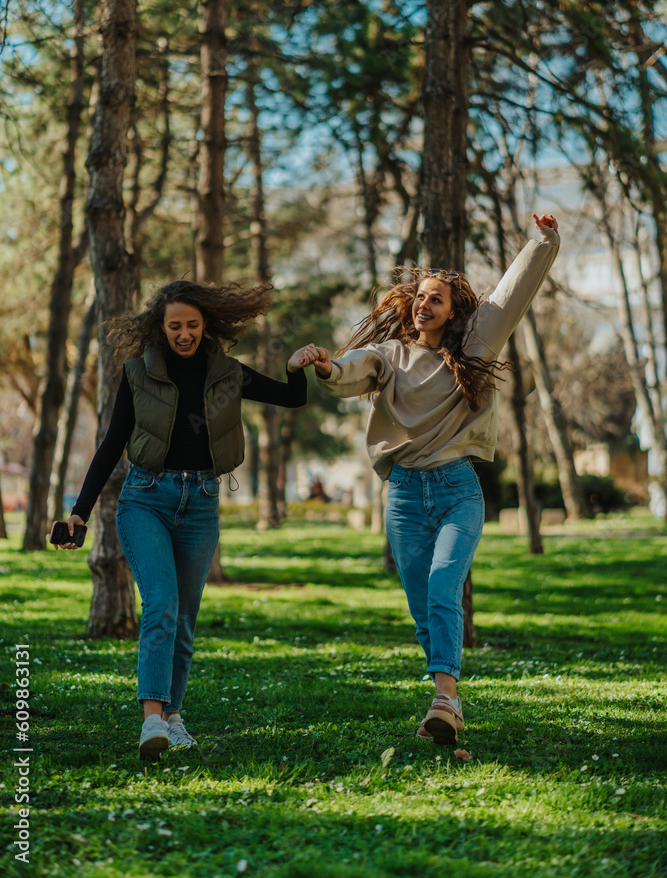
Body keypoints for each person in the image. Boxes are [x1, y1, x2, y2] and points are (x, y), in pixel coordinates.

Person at [292, 214, 560, 746]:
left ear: (455, 309)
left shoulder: (474, 348)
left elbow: (511, 295)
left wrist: (542, 241)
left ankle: (443, 696)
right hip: (405, 496)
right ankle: (448, 701)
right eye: (420, 296)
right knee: (423, 605)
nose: (423, 303)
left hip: (458, 489)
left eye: (436, 298)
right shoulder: (390, 355)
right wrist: (323, 365)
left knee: (444, 586)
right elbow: (352, 369)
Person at [54, 279, 320, 760]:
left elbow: (292, 399)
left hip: (201, 502)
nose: (183, 334)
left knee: (185, 617)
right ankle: (151, 719)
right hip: (146, 500)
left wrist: (294, 368)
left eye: (192, 325)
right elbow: (112, 443)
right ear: (160, 327)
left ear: (206, 326)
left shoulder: (228, 373)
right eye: (174, 325)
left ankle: (173, 717)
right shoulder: (138, 373)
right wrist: (79, 512)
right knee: (161, 605)